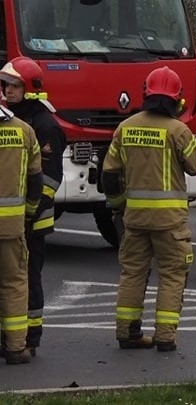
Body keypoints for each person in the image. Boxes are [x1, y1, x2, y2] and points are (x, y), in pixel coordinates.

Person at [101, 66, 196, 352]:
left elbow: (109, 176)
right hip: (170, 223)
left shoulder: (126, 127)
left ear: (145, 94)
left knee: (132, 274)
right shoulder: (177, 131)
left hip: (134, 219)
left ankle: (127, 332)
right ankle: (165, 337)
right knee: (173, 275)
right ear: (176, 99)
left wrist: (118, 207)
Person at [0, 56, 66, 357]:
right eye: (5, 85)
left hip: (34, 220)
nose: (7, 91)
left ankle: (31, 337)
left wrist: (31, 212)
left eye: (13, 86)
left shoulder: (44, 125)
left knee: (28, 278)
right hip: (16, 218)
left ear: (29, 88)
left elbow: (50, 179)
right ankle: (12, 337)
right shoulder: (12, 119)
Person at [0, 103, 43, 364]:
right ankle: (16, 347)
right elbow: (35, 180)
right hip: (11, 226)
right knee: (14, 284)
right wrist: (27, 213)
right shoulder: (25, 131)